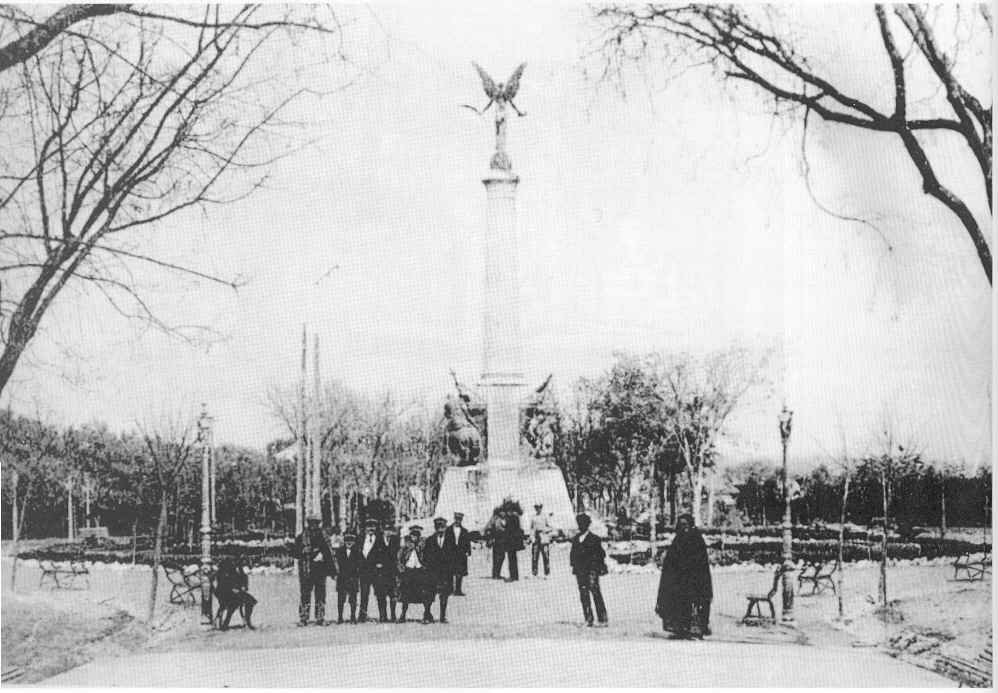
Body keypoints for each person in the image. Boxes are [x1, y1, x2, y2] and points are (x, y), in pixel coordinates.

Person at [655, 513, 713, 639]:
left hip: (695, 580)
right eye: (681, 525)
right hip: (679, 580)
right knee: (678, 603)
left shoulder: (697, 539)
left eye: (686, 525)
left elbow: (700, 561)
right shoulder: (678, 539)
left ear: (691, 525)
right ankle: (679, 628)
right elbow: (671, 559)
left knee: (695, 604)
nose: (684, 528)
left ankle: (696, 629)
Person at [294, 515, 335, 626]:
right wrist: (307, 552)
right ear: (308, 523)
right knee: (305, 594)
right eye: (311, 523)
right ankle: (303, 618)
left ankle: (320, 617)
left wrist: (332, 570)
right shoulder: (301, 537)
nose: (313, 525)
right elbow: (295, 553)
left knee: (321, 594)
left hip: (320, 571)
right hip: (306, 570)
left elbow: (330, 554)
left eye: (316, 523)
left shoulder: (323, 536)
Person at [569, 512, 608, 627]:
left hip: (591, 570)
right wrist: (574, 565)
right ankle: (588, 618)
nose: (580, 526)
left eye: (583, 524)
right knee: (584, 594)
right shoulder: (576, 539)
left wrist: (596, 567)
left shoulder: (595, 539)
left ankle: (602, 619)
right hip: (580, 571)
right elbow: (572, 554)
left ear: (587, 525)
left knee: (595, 592)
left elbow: (601, 554)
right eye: (579, 524)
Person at [397, 525, 432, 624]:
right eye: (413, 535)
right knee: (405, 594)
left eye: (416, 535)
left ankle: (427, 614)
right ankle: (403, 615)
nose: (414, 537)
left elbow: (428, 557)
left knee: (425, 593)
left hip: (420, 571)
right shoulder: (406, 546)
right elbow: (399, 558)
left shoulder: (423, 546)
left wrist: (426, 567)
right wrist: (401, 568)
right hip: (408, 572)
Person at [357, 518, 390, 623]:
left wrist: (381, 564)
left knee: (380, 594)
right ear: (365, 528)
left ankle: (383, 616)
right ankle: (362, 616)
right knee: (364, 594)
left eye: (373, 526)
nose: (371, 529)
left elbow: (385, 553)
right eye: (368, 526)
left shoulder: (380, 539)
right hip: (364, 571)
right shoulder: (361, 539)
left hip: (376, 571)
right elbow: (357, 553)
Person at [423, 517, 453, 624]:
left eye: (442, 527)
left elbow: (454, 556)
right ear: (435, 528)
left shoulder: (450, 540)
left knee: (444, 595)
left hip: (446, 573)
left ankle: (442, 616)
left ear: (445, 528)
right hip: (432, 572)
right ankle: (427, 614)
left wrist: (452, 569)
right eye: (438, 527)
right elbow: (425, 556)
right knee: (429, 595)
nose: (440, 529)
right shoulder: (429, 540)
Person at [214, 558, 257, 630]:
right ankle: (224, 623)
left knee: (250, 601)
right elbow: (222, 581)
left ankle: (247, 621)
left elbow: (244, 579)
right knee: (232, 604)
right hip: (224, 592)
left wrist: (244, 586)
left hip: (237, 592)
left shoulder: (240, 568)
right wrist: (232, 588)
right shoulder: (226, 565)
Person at [334, 532, 361, 624]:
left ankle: (353, 617)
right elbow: (336, 563)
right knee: (341, 599)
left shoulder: (357, 551)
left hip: (353, 578)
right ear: (344, 542)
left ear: (354, 542)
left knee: (353, 599)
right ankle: (340, 617)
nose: (349, 543)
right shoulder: (339, 551)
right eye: (347, 541)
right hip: (342, 578)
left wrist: (357, 574)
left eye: (351, 541)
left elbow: (360, 564)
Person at [379, 521, 401, 622]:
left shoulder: (395, 540)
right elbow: (374, 554)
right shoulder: (378, 540)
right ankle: (383, 616)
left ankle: (393, 615)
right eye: (386, 530)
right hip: (381, 572)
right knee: (381, 594)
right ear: (383, 530)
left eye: (390, 530)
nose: (388, 532)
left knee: (393, 594)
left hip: (392, 572)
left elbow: (397, 555)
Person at [447, 512, 472, 595]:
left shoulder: (464, 531)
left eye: (460, 519)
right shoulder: (448, 530)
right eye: (457, 519)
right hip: (451, 553)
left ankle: (458, 590)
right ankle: (450, 589)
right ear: (454, 519)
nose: (458, 521)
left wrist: (468, 551)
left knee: (460, 572)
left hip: (461, 554)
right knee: (450, 571)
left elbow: (467, 542)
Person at [529, 502, 553, 578]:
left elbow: (551, 527)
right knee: (535, 557)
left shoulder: (545, 517)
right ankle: (534, 573)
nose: (537, 508)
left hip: (544, 539)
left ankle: (547, 573)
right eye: (536, 507)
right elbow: (531, 529)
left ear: (541, 508)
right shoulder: (533, 517)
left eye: (539, 507)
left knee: (546, 556)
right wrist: (532, 537)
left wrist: (544, 530)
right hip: (536, 539)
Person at [504, 507, 525, 581]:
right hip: (514, 542)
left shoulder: (511, 517)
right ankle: (515, 576)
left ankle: (513, 576)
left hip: (511, 542)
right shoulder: (516, 517)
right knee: (513, 559)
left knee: (511, 559)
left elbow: (510, 530)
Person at [486, 510, 508, 579]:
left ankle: (497, 573)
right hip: (497, 541)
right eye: (502, 512)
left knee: (501, 557)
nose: (503, 513)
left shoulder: (504, 519)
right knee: (497, 558)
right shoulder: (497, 519)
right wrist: (505, 530)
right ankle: (495, 574)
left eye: (504, 512)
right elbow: (498, 528)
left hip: (502, 541)